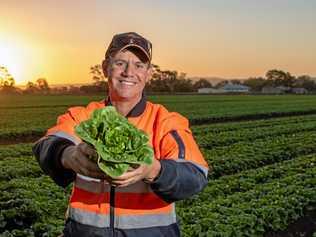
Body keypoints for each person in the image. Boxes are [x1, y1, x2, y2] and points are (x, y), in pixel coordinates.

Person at [33, 32, 209, 237]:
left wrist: (154, 170)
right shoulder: (84, 116)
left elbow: (195, 175)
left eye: (139, 65)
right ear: (105, 67)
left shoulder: (165, 122)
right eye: (120, 63)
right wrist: (68, 156)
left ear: (148, 73)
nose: (128, 72)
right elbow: (47, 144)